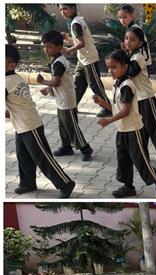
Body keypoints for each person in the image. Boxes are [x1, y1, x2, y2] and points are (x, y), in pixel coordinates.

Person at [92, 49, 156, 198]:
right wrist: (101, 102)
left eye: (114, 67)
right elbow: (116, 108)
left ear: (125, 67)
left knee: (141, 161)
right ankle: (128, 187)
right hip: (122, 130)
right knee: (123, 160)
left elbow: (126, 111)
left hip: (134, 131)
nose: (110, 71)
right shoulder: (117, 85)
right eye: (108, 67)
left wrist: (108, 120)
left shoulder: (127, 85)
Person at [5, 44, 75, 199]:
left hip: (30, 126)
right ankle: (27, 183)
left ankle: (65, 183)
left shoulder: (7, 82)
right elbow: (18, 102)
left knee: (43, 158)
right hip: (23, 125)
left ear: (11, 65)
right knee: (23, 156)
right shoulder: (16, 78)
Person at [125, 26, 156, 170]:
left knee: (154, 129)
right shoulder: (129, 56)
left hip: (146, 98)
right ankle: (142, 155)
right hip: (136, 100)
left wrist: (121, 63)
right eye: (126, 38)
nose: (128, 41)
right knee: (139, 129)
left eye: (132, 39)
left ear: (140, 43)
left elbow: (130, 72)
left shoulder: (139, 57)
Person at [38, 30, 94, 161]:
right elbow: (57, 80)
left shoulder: (59, 62)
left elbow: (57, 82)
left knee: (71, 126)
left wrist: (43, 82)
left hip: (66, 99)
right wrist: (48, 88)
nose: (46, 49)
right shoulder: (56, 60)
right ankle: (66, 146)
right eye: (45, 46)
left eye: (49, 47)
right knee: (63, 124)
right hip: (62, 98)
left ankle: (85, 148)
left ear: (59, 48)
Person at [58, 3, 111, 117]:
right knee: (78, 82)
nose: (63, 12)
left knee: (94, 84)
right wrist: (68, 39)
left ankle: (108, 108)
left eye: (65, 9)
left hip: (89, 57)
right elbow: (79, 41)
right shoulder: (77, 21)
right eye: (61, 10)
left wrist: (68, 50)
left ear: (73, 8)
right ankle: (73, 106)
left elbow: (82, 44)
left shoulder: (76, 23)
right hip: (83, 58)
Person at [117, 4, 153, 73]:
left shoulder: (135, 29)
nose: (122, 20)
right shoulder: (131, 28)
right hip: (138, 61)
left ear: (132, 16)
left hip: (140, 63)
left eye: (125, 17)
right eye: (120, 17)